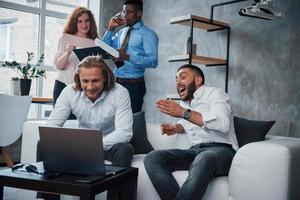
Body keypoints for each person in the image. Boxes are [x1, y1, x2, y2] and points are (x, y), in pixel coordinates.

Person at [39, 56, 134, 200]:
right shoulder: (69, 92)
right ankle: (48, 198)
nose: (90, 87)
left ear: (105, 79)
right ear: (79, 79)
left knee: (125, 148)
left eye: (95, 80)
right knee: (43, 144)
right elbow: (53, 125)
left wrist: (92, 148)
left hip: (109, 144)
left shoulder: (120, 93)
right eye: (85, 81)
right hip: (81, 144)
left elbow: (124, 132)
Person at [144, 64, 239, 200]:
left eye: (183, 77)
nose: (177, 82)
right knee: (153, 157)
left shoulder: (215, 94)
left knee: (204, 157)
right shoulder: (185, 103)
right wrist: (175, 128)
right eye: (176, 79)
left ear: (198, 80)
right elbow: (187, 123)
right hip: (195, 151)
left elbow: (223, 124)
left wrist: (183, 113)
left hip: (223, 152)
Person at [102, 0, 159, 113]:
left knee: (131, 121)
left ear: (138, 13)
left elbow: (153, 61)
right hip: (115, 83)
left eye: (128, 12)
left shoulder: (148, 34)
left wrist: (128, 57)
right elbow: (104, 47)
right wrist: (110, 28)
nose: (125, 16)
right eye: (123, 12)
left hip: (134, 86)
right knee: (113, 120)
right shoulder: (121, 32)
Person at [53, 7, 98, 109]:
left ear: (91, 22)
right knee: (59, 122)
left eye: (87, 21)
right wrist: (68, 52)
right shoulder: (65, 38)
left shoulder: (95, 43)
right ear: (75, 23)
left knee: (80, 122)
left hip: (84, 89)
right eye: (80, 21)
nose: (84, 25)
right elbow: (59, 66)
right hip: (63, 85)